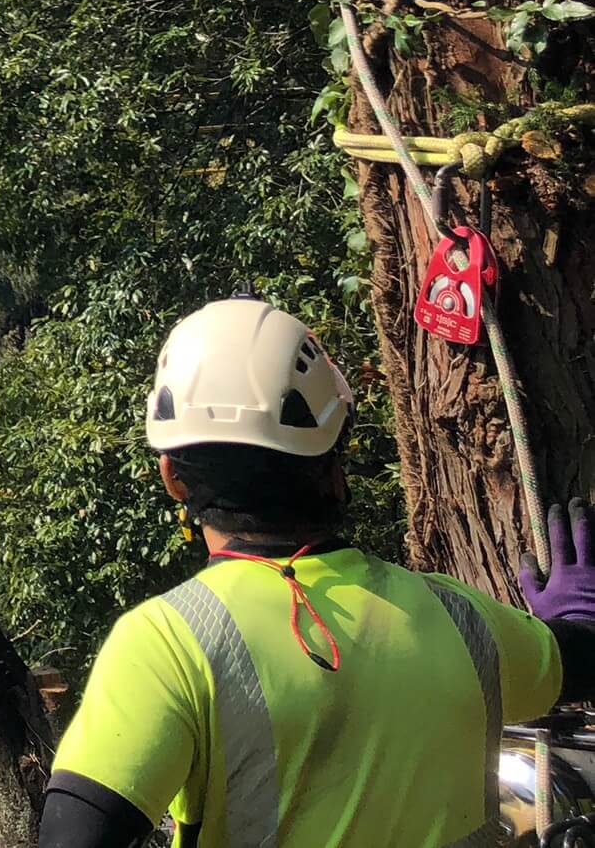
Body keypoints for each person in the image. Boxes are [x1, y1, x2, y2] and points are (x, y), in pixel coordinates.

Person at [42, 297, 595, 848]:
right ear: (334, 454)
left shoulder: (168, 643)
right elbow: (583, 661)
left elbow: (76, 835)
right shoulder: (463, 619)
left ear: (172, 477)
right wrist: (573, 617)